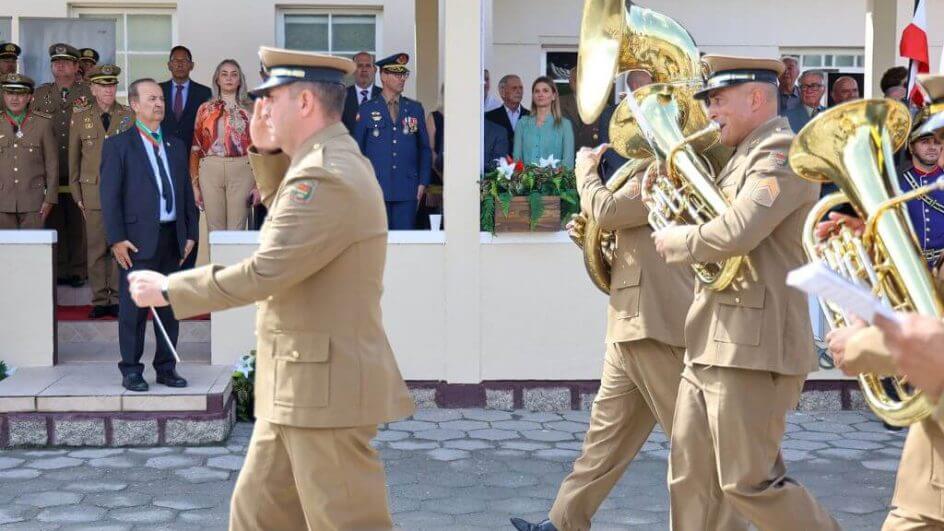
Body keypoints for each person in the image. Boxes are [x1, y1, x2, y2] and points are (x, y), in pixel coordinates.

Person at [125, 46, 415, 530]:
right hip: (299, 383)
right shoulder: (321, 162)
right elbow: (289, 219)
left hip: (323, 389)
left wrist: (171, 289)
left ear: (304, 103)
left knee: (346, 522)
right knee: (257, 516)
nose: (261, 109)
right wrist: (263, 150)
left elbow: (267, 269)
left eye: (270, 98)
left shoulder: (326, 175)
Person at [510, 147, 745, 531]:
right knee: (604, 440)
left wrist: (585, 171)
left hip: (654, 322)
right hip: (629, 321)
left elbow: (610, 211)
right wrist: (590, 239)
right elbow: (621, 231)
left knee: (698, 447)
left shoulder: (666, 173)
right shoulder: (648, 172)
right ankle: (561, 524)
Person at [651, 55, 839, 530]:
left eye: (718, 100)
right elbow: (714, 224)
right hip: (711, 336)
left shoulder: (781, 153)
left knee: (748, 482)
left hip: (755, 344)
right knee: (692, 479)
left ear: (755, 97)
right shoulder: (739, 156)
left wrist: (679, 241)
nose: (710, 112)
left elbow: (738, 230)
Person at [100, 78, 197, 392]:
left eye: (161, 99)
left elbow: (184, 193)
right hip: (136, 240)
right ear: (135, 105)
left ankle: (166, 368)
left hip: (172, 237)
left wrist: (191, 233)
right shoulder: (118, 145)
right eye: (151, 98)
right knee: (134, 309)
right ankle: (131, 369)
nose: (159, 104)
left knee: (169, 306)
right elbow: (109, 196)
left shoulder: (175, 144)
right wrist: (116, 238)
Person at [68, 64, 135, 319]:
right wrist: (77, 195)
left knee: (119, 245)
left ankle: (117, 298)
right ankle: (99, 298)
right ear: (93, 89)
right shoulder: (81, 117)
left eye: (112, 85)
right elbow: (74, 160)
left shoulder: (128, 116)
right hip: (92, 191)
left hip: (122, 192)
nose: (108, 90)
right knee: (96, 249)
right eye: (103, 85)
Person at [31, 43, 93, 288]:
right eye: (56, 62)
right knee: (53, 218)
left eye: (66, 62)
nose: (60, 65)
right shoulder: (40, 94)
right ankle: (58, 269)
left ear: (77, 67)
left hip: (80, 166)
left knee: (79, 220)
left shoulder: (88, 93)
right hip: (49, 167)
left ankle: (78, 270)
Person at [353, 52, 431, 230]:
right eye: (397, 74)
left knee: (406, 242)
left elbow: (424, 149)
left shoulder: (414, 108)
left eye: (404, 74)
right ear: (384, 76)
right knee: (378, 243)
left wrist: (422, 182)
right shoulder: (366, 109)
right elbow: (357, 151)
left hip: (407, 189)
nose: (402, 79)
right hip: (376, 188)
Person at [189, 59, 258, 232]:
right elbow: (195, 148)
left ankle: (235, 261)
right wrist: (194, 184)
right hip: (210, 169)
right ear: (217, 79)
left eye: (234, 74)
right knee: (215, 230)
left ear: (240, 80)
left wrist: (259, 184)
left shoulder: (251, 109)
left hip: (242, 169)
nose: (229, 78)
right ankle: (218, 261)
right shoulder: (205, 109)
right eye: (224, 74)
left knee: (237, 230)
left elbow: (260, 149)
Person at [0, 73, 57, 229]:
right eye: (10, 93)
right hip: (2, 202)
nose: (14, 98)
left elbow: (52, 164)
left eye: (20, 94)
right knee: (5, 252)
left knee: (32, 251)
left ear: (29, 97)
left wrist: (50, 198)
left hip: (34, 202)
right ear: (4, 95)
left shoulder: (43, 123)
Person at [513, 76, 575, 170]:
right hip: (526, 182)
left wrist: (550, 179)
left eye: (545, 91)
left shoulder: (565, 125)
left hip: (555, 183)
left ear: (553, 96)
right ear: (533, 96)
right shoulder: (522, 124)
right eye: (537, 91)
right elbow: (517, 159)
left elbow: (568, 162)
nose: (540, 94)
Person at [160, 46, 212, 149]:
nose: (180, 64)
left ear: (191, 65)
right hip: (163, 152)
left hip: (193, 153)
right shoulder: (158, 90)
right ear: (169, 65)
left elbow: (208, 127)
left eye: (184, 60)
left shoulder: (205, 93)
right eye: (175, 60)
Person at [559, 67, 602, 150]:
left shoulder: (601, 106)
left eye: (582, 80)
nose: (578, 83)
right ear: (570, 82)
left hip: (592, 159)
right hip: (564, 159)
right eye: (575, 80)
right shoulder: (558, 103)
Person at [484, 74, 528, 153]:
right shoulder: (490, 117)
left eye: (521, 88)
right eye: (514, 88)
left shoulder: (531, 116)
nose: (519, 91)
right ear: (502, 92)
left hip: (525, 164)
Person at [341, 51, 381, 132]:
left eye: (368, 66)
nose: (364, 70)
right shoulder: (341, 96)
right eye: (359, 66)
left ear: (375, 70)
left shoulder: (385, 96)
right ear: (353, 70)